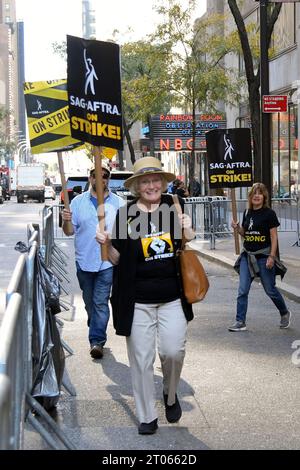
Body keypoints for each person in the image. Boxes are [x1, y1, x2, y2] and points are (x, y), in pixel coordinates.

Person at [96, 156, 195, 435]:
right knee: (141, 360)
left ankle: (170, 393)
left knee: (173, 352)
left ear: (162, 183)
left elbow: (189, 239)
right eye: (145, 181)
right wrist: (105, 245)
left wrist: (186, 225)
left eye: (155, 180)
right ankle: (146, 416)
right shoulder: (125, 214)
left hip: (173, 296)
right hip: (137, 299)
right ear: (137, 187)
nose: (151, 185)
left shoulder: (173, 205)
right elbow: (117, 260)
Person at [62, 164, 124, 359]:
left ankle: (97, 341)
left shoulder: (119, 204)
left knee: (100, 302)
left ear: (108, 179)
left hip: (107, 262)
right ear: (90, 178)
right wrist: (66, 220)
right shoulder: (78, 203)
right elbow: (69, 232)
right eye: (96, 175)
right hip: (84, 260)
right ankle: (95, 324)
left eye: (105, 176)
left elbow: (125, 235)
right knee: (90, 302)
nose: (101, 179)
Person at [229, 182, 291, 332]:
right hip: (247, 256)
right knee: (242, 290)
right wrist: (237, 229)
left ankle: (284, 312)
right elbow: (246, 234)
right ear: (250, 197)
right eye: (254, 193)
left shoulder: (269, 214)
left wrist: (272, 256)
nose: (257, 196)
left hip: (264, 256)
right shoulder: (247, 213)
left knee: (270, 289)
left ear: (264, 197)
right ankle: (240, 321)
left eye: (260, 193)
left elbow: (274, 237)